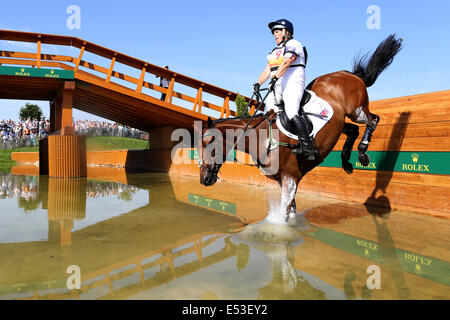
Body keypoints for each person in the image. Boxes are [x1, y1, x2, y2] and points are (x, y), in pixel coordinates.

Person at [253, 19, 316, 161]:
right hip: (277, 85)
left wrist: (274, 78)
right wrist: (258, 83)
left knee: (292, 112)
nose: (274, 35)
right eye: (273, 33)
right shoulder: (275, 51)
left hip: (292, 82)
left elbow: (287, 62)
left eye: (277, 32)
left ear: (286, 32)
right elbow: (268, 69)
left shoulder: (294, 44)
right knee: (267, 116)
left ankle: (308, 148)